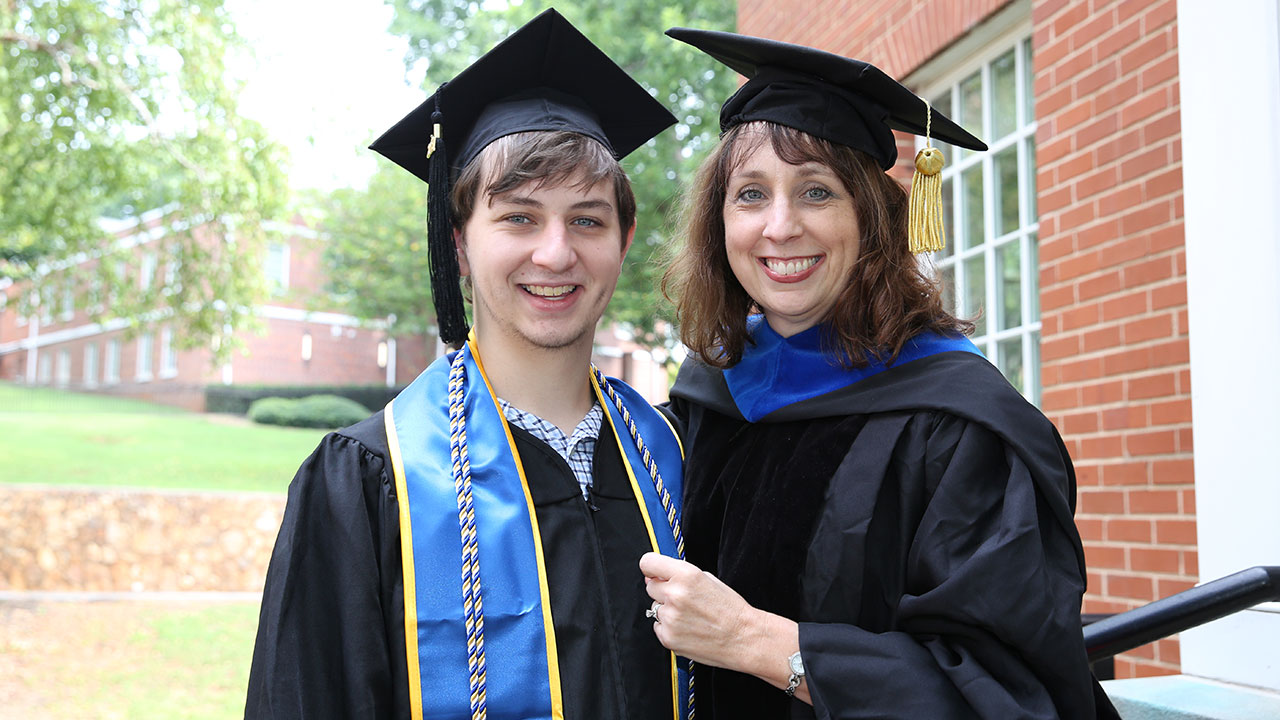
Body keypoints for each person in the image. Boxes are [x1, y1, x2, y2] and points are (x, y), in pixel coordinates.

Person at [644, 27, 1121, 719]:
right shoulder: (706, 400)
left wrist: (756, 641)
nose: (779, 227)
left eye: (816, 192)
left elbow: (1011, 694)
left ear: (872, 219)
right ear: (719, 224)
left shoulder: (959, 427)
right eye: (750, 194)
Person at [245, 10, 692, 719]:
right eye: (519, 217)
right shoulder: (373, 478)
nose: (555, 252)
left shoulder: (670, 456)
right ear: (459, 244)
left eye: (586, 219)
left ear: (624, 239)